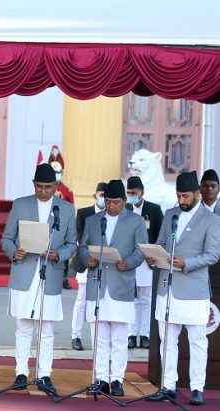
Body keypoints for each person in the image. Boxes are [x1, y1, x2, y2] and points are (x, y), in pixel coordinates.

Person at [0, 163, 77, 396]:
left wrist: (59, 254)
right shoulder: (21, 204)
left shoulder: (65, 209)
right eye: (39, 187)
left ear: (56, 186)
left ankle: (44, 375)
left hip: (50, 274)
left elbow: (73, 243)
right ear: (33, 184)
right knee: (23, 326)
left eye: (48, 187)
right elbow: (7, 238)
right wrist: (14, 251)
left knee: (47, 329)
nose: (43, 191)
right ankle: (21, 373)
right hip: (25, 271)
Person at [145, 171, 220, 406]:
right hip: (167, 289)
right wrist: (153, 256)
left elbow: (213, 255)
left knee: (198, 341)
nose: (181, 200)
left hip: (194, 292)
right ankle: (168, 386)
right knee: (167, 340)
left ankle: (197, 388)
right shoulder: (170, 215)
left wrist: (187, 263)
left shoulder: (211, 220)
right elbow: (161, 243)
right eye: (178, 195)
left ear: (197, 194)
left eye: (185, 196)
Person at [76, 179, 147, 397]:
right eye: (108, 202)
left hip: (121, 283)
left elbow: (141, 250)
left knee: (118, 337)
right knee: (99, 336)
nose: (112, 206)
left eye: (116, 202)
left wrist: (129, 262)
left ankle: (116, 379)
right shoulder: (93, 220)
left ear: (124, 201)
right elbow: (83, 247)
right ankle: (100, 379)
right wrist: (88, 258)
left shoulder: (135, 221)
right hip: (97, 285)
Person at [125, 176, 163, 350]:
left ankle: (145, 335)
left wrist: (154, 254)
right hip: (132, 260)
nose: (132, 195)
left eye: (134, 193)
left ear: (142, 193)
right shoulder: (125, 209)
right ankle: (131, 334)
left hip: (147, 261)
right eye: (129, 193)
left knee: (146, 299)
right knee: (132, 300)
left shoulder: (154, 210)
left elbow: (161, 236)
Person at [70, 182, 107, 351]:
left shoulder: (112, 214)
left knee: (101, 301)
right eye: (101, 195)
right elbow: (79, 237)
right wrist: (89, 254)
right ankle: (76, 335)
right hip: (87, 262)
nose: (103, 199)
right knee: (82, 300)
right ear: (95, 196)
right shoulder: (84, 213)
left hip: (105, 264)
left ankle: (98, 339)